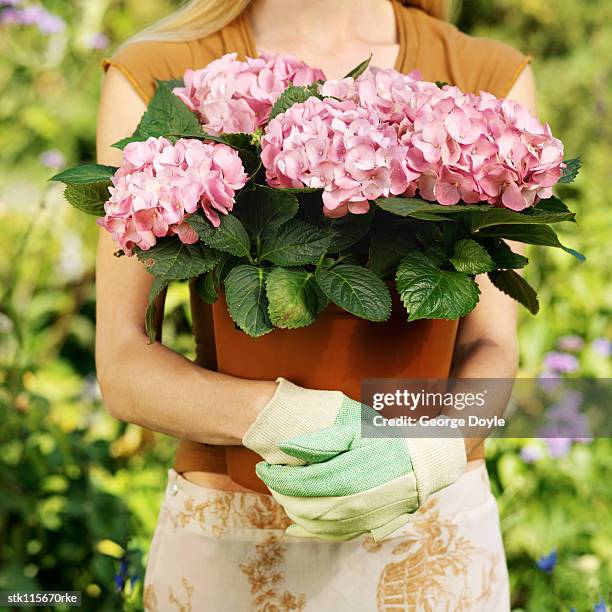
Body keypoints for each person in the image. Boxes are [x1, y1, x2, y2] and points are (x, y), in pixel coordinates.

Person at [97, 1, 534, 609]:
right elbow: (124, 365)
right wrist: (286, 420)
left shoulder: (482, 71)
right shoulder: (163, 70)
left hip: (429, 526)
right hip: (237, 533)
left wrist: (426, 446)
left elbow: (492, 346)